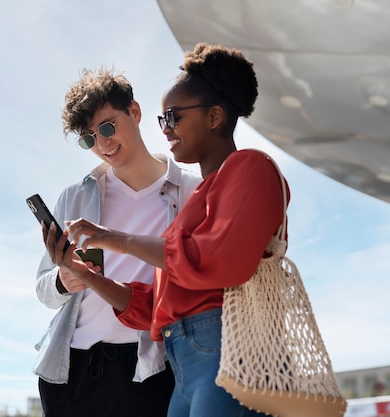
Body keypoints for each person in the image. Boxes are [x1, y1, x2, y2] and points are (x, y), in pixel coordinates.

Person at [44, 43, 290, 417]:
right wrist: (81, 275)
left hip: (220, 354)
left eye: (173, 116)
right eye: (89, 138)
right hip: (183, 362)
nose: (167, 129)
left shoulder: (247, 169)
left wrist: (115, 239)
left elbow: (217, 262)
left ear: (214, 117)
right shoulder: (198, 199)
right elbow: (153, 303)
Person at [33, 66, 202, 417]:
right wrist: (64, 281)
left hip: (149, 366)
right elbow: (43, 290)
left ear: (135, 113)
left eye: (108, 126)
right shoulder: (74, 196)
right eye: (89, 138)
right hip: (69, 370)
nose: (103, 143)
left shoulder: (190, 189)